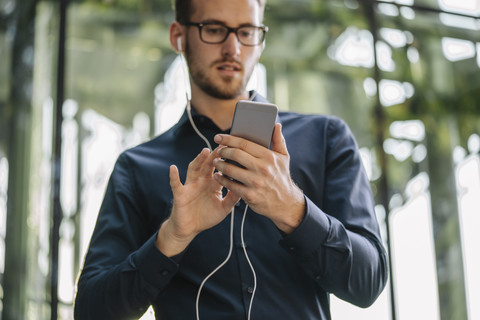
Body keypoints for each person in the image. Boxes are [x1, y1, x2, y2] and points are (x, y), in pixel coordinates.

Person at [74, 0, 388, 318]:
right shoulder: (136, 167)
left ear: (261, 40)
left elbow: (368, 282)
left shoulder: (326, 138)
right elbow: (90, 311)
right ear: (178, 36)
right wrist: (171, 238)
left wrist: (292, 209)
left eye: (247, 31)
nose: (232, 47)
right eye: (214, 29)